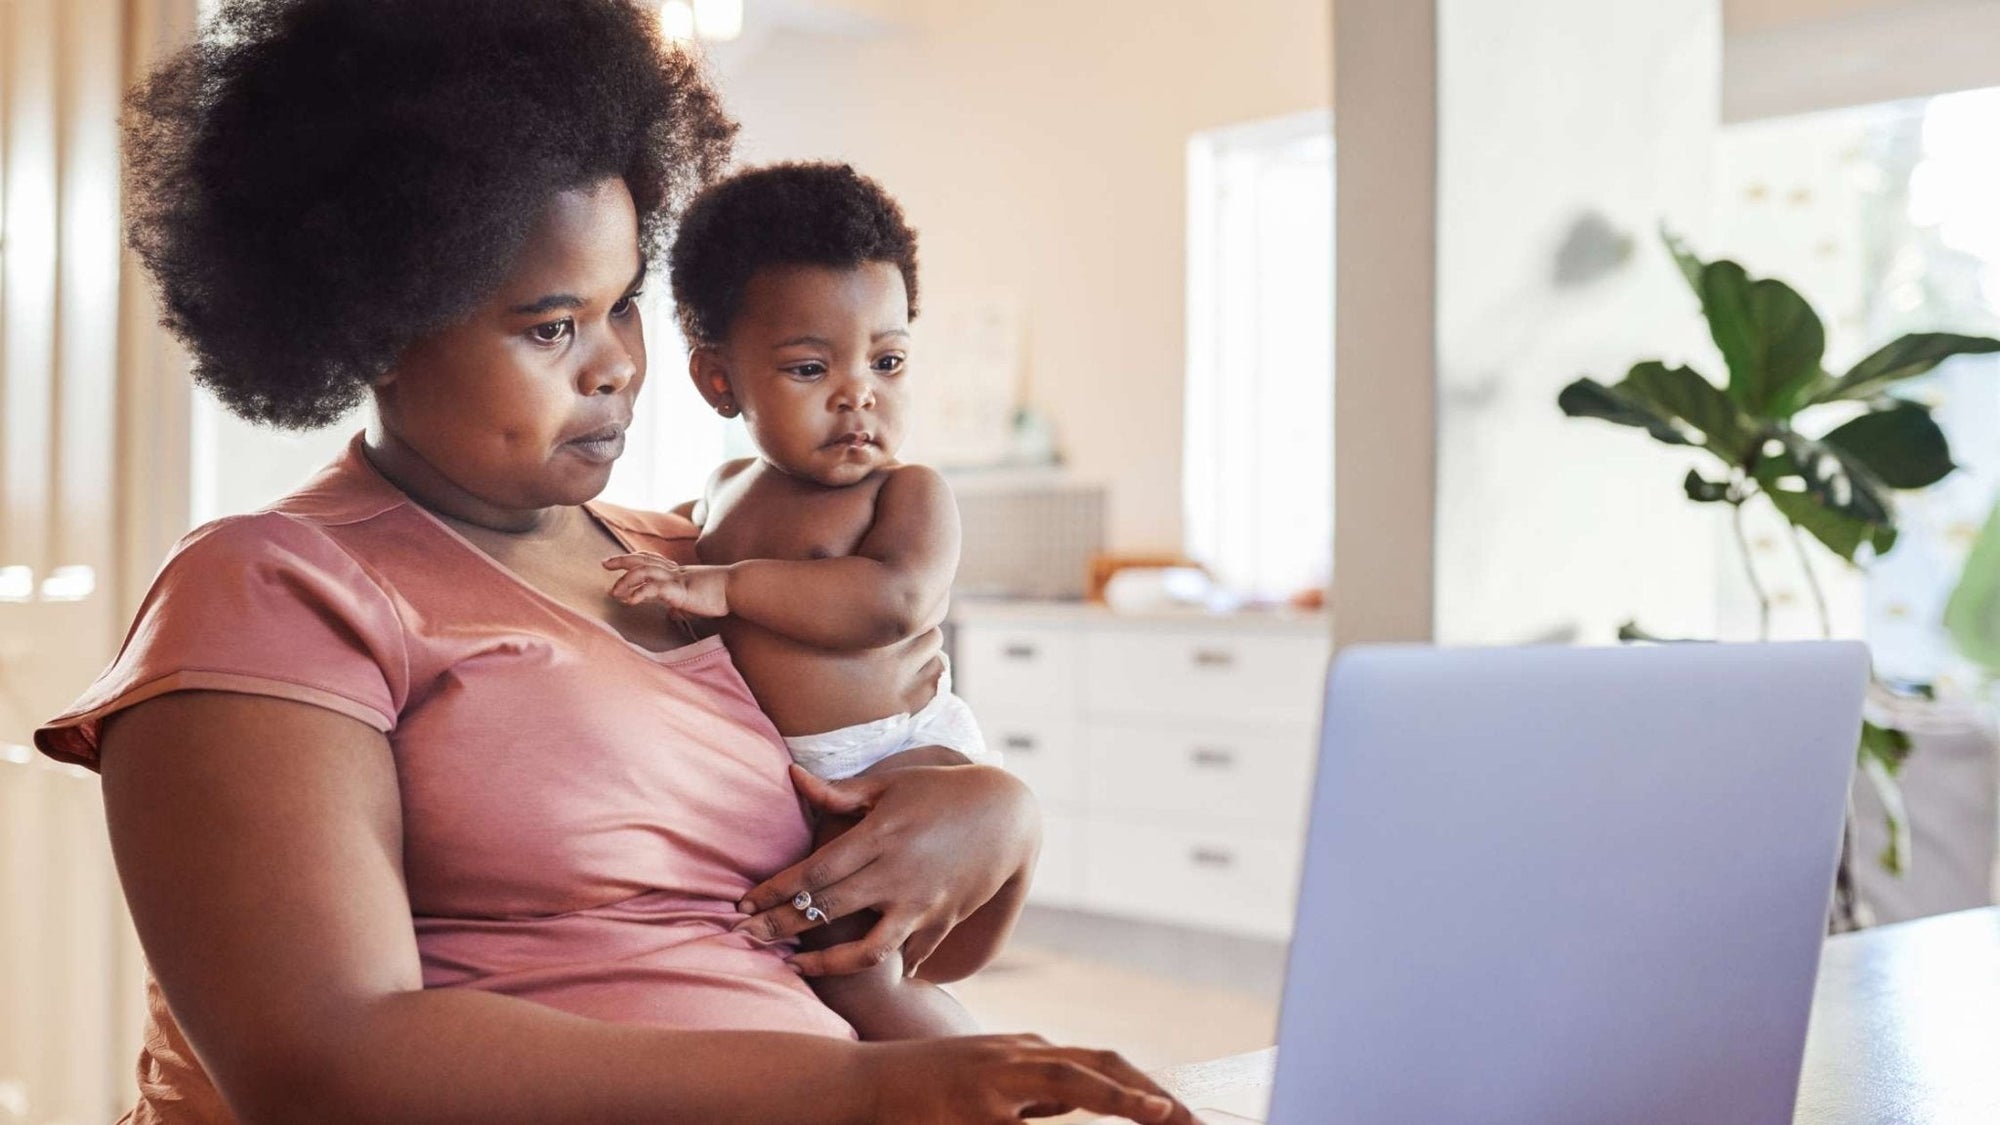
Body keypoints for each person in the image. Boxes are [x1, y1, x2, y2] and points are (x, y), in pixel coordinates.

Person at [33, 2, 1194, 1121]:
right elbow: (323, 1067)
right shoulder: (273, 588)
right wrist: (862, 1094)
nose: (617, 367)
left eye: (623, 304)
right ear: (380, 329)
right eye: (552, 327)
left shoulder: (704, 558)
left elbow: (900, 946)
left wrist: (994, 818)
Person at [603, 162, 995, 1041]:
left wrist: (727, 585)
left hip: (904, 756)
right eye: (811, 367)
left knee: (859, 972)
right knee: (794, 964)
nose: (859, 393)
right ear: (719, 382)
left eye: (888, 361)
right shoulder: (723, 493)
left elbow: (892, 601)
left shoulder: (908, 492)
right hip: (796, 777)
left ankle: (972, 1070)